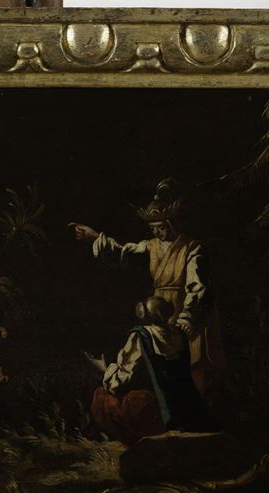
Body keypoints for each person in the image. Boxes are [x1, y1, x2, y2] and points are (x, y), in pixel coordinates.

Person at [70, 177, 224, 396]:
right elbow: (123, 252)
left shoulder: (192, 248)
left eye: (160, 227)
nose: (156, 233)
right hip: (159, 313)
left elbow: (197, 287)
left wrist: (188, 317)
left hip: (184, 313)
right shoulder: (151, 247)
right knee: (151, 355)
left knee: (189, 371)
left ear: (172, 223)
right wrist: (95, 237)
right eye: (152, 228)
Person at [87, 296, 213, 445]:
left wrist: (104, 370)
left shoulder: (141, 335)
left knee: (102, 397)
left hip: (164, 414)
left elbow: (121, 379)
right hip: (190, 411)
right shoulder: (179, 333)